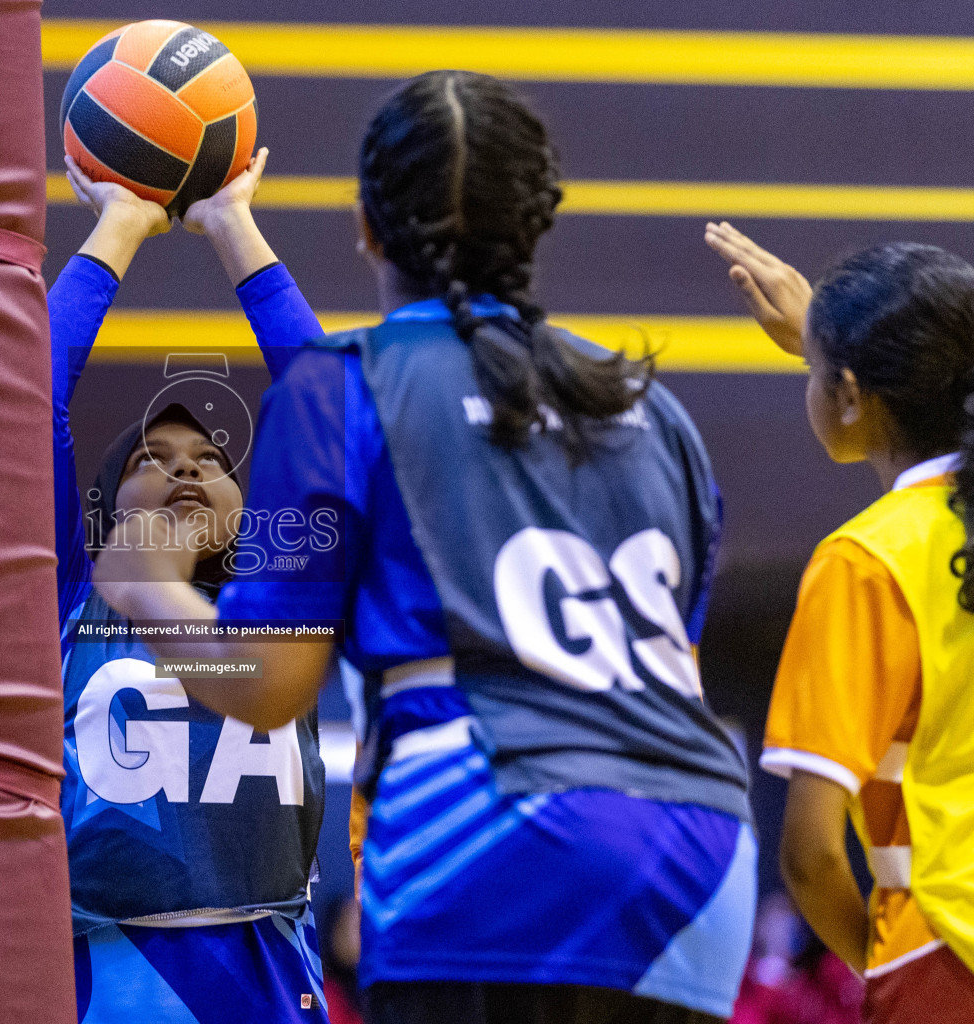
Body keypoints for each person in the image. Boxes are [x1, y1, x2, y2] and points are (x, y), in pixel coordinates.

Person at [95, 70, 755, 1023]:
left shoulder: (344, 387)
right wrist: (231, 224)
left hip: (493, 831)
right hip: (701, 851)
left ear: (366, 225)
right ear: (535, 224)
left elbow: (264, 684)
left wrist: (143, 587)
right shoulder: (652, 408)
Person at [50, 150, 331, 1023]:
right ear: (104, 506)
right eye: (153, 459)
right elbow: (25, 400)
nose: (186, 469)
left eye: (211, 460)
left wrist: (232, 224)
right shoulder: (69, 592)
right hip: (104, 980)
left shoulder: (286, 601)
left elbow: (331, 412)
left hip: (267, 978)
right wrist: (118, 227)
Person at [706, 223, 974, 1022]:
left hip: (940, 953)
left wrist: (885, 970)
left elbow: (813, 855)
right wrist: (828, 341)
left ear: (852, 395)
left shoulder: (865, 560)